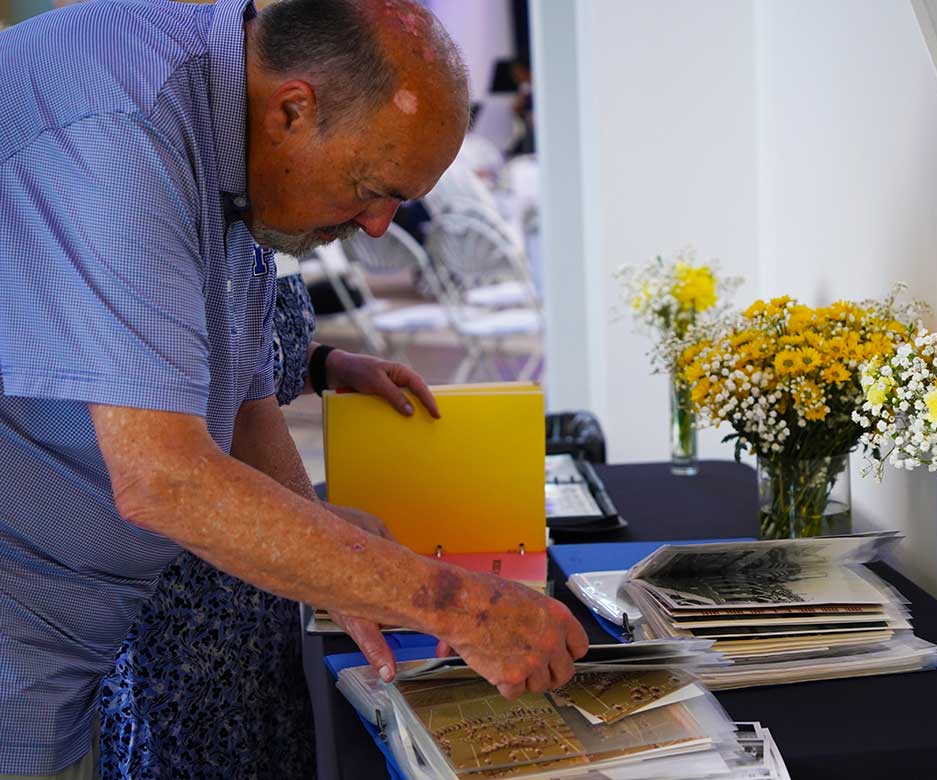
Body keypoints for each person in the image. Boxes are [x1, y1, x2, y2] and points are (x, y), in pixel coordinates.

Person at [0, 0, 587, 777]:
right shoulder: (125, 125)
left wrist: (327, 553)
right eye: (373, 187)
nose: (379, 227)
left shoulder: (228, 123)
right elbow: (163, 478)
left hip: (66, 634)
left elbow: (239, 395)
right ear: (293, 110)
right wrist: (458, 605)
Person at [97, 267, 427, 779]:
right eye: (369, 192)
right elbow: (175, 462)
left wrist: (325, 364)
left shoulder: (239, 227)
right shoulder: (145, 224)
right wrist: (322, 533)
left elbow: (248, 378)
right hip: (184, 607)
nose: (376, 225)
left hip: (260, 584)